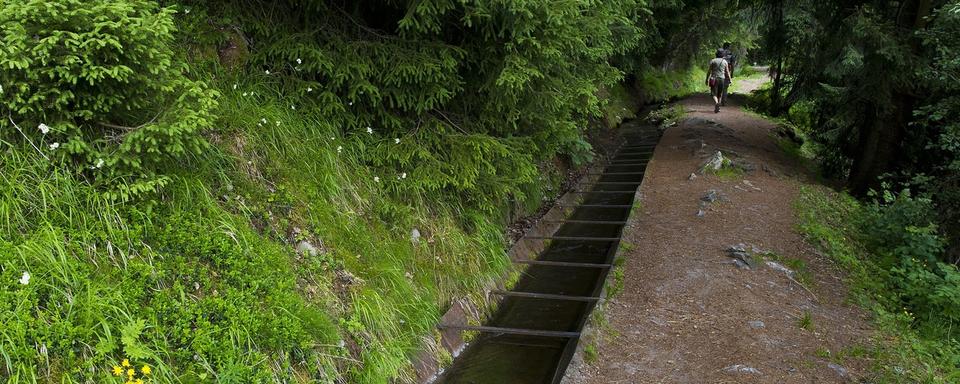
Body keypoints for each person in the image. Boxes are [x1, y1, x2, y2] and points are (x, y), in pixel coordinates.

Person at [706, 49, 731, 113]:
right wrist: (730, 79)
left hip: (713, 79)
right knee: (720, 94)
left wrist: (706, 79)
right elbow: (727, 72)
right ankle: (718, 107)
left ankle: (716, 103)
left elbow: (709, 71)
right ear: (723, 55)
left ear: (716, 54)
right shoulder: (724, 61)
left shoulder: (713, 61)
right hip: (722, 79)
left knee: (713, 93)